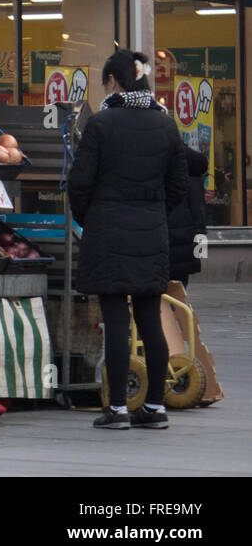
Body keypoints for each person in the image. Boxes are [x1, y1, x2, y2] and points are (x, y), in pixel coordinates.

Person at [68, 49, 187, 432]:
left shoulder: (102, 124)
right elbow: (179, 186)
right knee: (150, 318)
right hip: (151, 230)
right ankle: (155, 406)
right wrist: (154, 216)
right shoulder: (166, 126)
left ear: (115, 82)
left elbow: (80, 183)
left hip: (108, 229)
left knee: (116, 318)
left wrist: (92, 218)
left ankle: (117, 408)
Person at [168, 145, 207, 289]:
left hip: (164, 237)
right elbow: (200, 211)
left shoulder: (162, 163)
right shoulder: (194, 169)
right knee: (180, 289)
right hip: (188, 238)